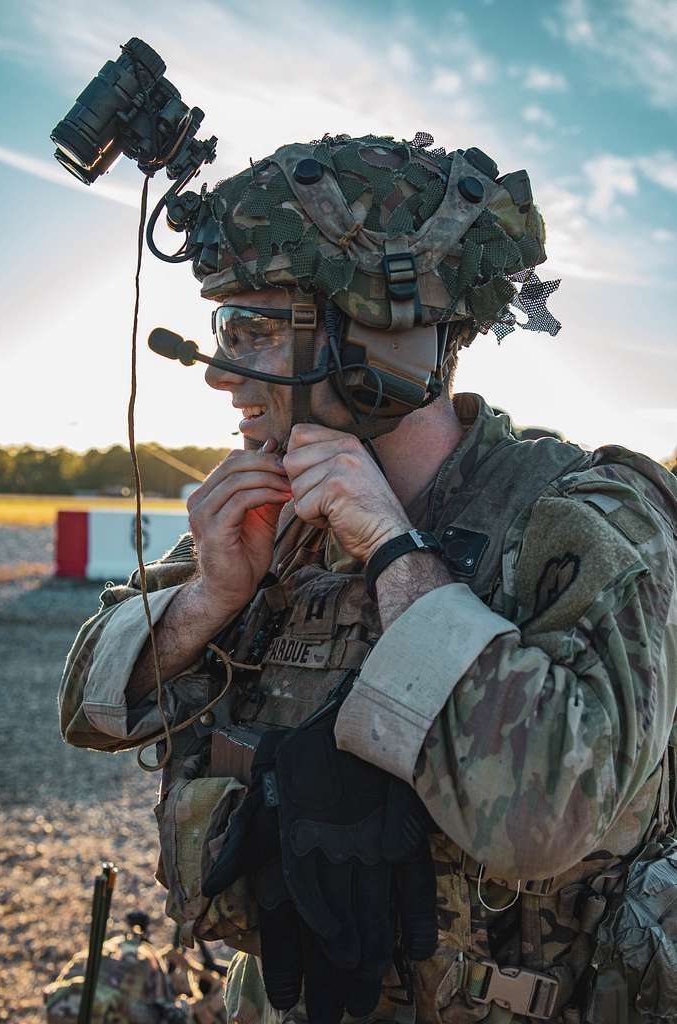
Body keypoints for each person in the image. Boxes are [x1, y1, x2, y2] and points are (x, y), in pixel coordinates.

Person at [60, 133, 677, 1023]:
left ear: (377, 341)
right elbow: (84, 712)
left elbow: (545, 820)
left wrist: (392, 549)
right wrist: (210, 596)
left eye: (253, 332)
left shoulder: (584, 519)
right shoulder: (275, 515)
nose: (225, 379)